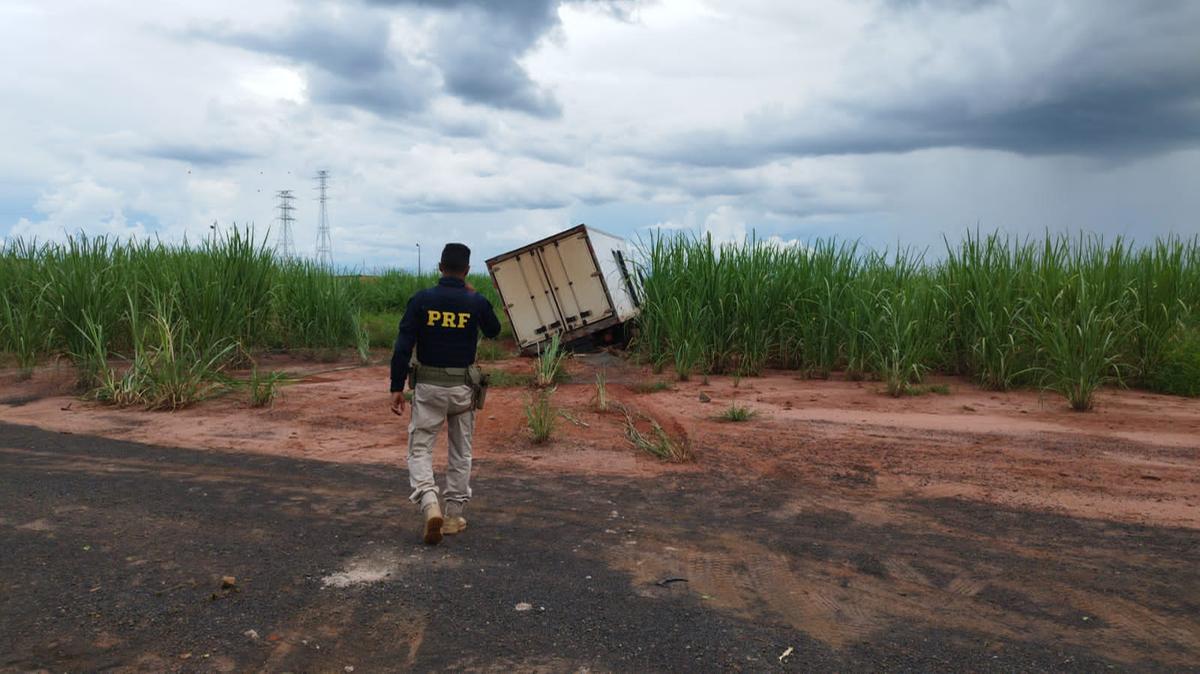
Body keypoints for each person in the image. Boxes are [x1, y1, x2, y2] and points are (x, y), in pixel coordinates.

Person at [390, 243, 502, 545]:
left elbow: (402, 347)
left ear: (440, 267)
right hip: (463, 390)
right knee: (460, 452)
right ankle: (452, 517)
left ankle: (429, 502)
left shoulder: (422, 300)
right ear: (466, 270)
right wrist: (472, 293)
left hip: (428, 389)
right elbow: (494, 330)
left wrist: (396, 388)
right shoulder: (474, 301)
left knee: (420, 449)